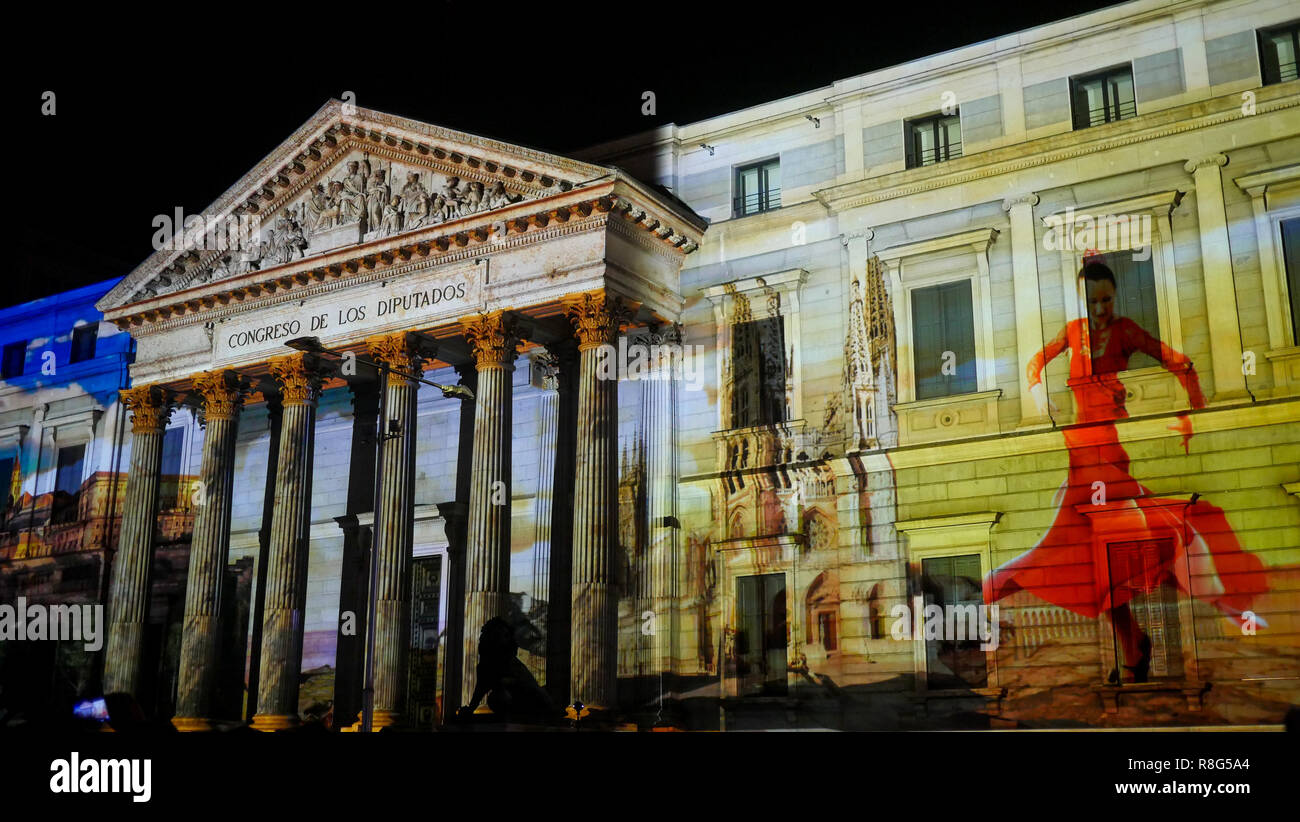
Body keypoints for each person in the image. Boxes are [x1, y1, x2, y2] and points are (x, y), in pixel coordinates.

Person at [985, 258, 1268, 682]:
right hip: (1079, 449)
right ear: (1082, 299)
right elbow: (1035, 364)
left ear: (1114, 297)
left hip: (1108, 450)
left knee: (1150, 535)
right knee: (1092, 558)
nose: (1100, 308)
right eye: (1092, 300)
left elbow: (1179, 361)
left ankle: (1216, 608)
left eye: (1106, 299)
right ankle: (1134, 643)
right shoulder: (1074, 332)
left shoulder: (1126, 330)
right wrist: (1039, 395)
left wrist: (1192, 413)